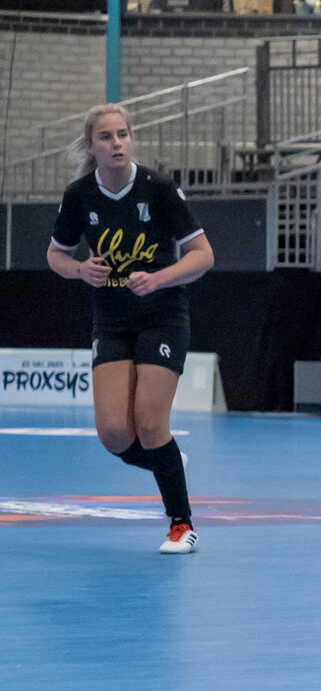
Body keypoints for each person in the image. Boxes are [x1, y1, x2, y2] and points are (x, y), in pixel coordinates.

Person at [48, 104, 215, 553]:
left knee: (150, 422)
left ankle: (181, 525)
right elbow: (56, 255)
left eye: (123, 134)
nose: (117, 143)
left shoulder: (158, 188)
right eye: (106, 137)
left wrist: (159, 278)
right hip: (111, 320)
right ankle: (167, 460)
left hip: (163, 315)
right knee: (114, 435)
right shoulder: (79, 195)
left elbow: (203, 255)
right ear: (91, 147)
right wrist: (80, 269)